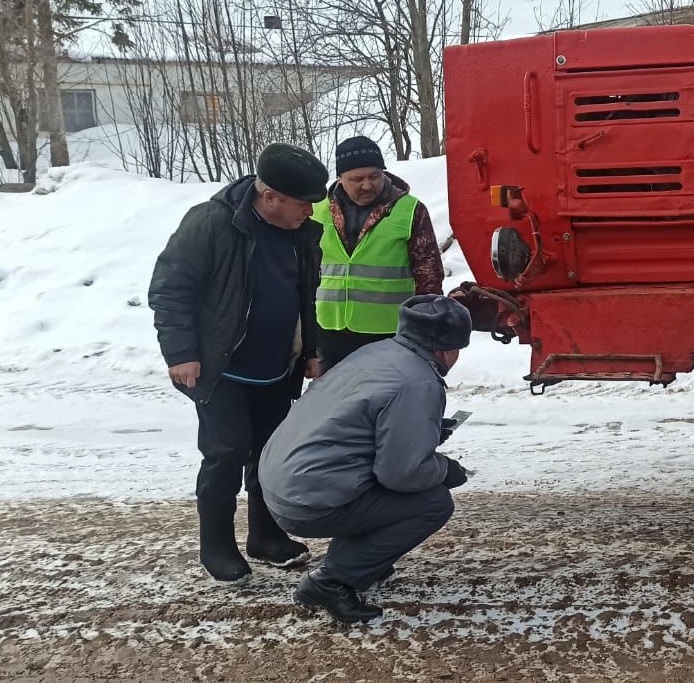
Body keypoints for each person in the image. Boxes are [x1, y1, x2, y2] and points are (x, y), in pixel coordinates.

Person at [147, 143, 329, 584]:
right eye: (304, 203)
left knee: (269, 454)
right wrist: (181, 353)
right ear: (271, 197)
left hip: (276, 367)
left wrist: (311, 349)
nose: (310, 211)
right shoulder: (211, 223)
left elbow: (306, 295)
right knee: (226, 453)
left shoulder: (301, 233)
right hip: (219, 367)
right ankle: (217, 545)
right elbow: (170, 289)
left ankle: (265, 537)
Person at [259, 294, 473, 623]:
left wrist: (422, 430)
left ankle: (362, 561)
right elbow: (402, 474)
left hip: (283, 481)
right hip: (309, 501)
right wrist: (446, 469)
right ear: (449, 349)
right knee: (433, 502)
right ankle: (330, 582)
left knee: (388, 498)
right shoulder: (418, 383)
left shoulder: (378, 353)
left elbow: (359, 424)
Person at [313, 136, 446, 371]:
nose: (367, 185)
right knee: (335, 406)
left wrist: (427, 329)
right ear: (339, 178)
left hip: (391, 335)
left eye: (374, 176)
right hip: (329, 336)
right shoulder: (317, 212)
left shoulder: (410, 210)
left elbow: (429, 277)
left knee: (387, 405)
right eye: (357, 179)